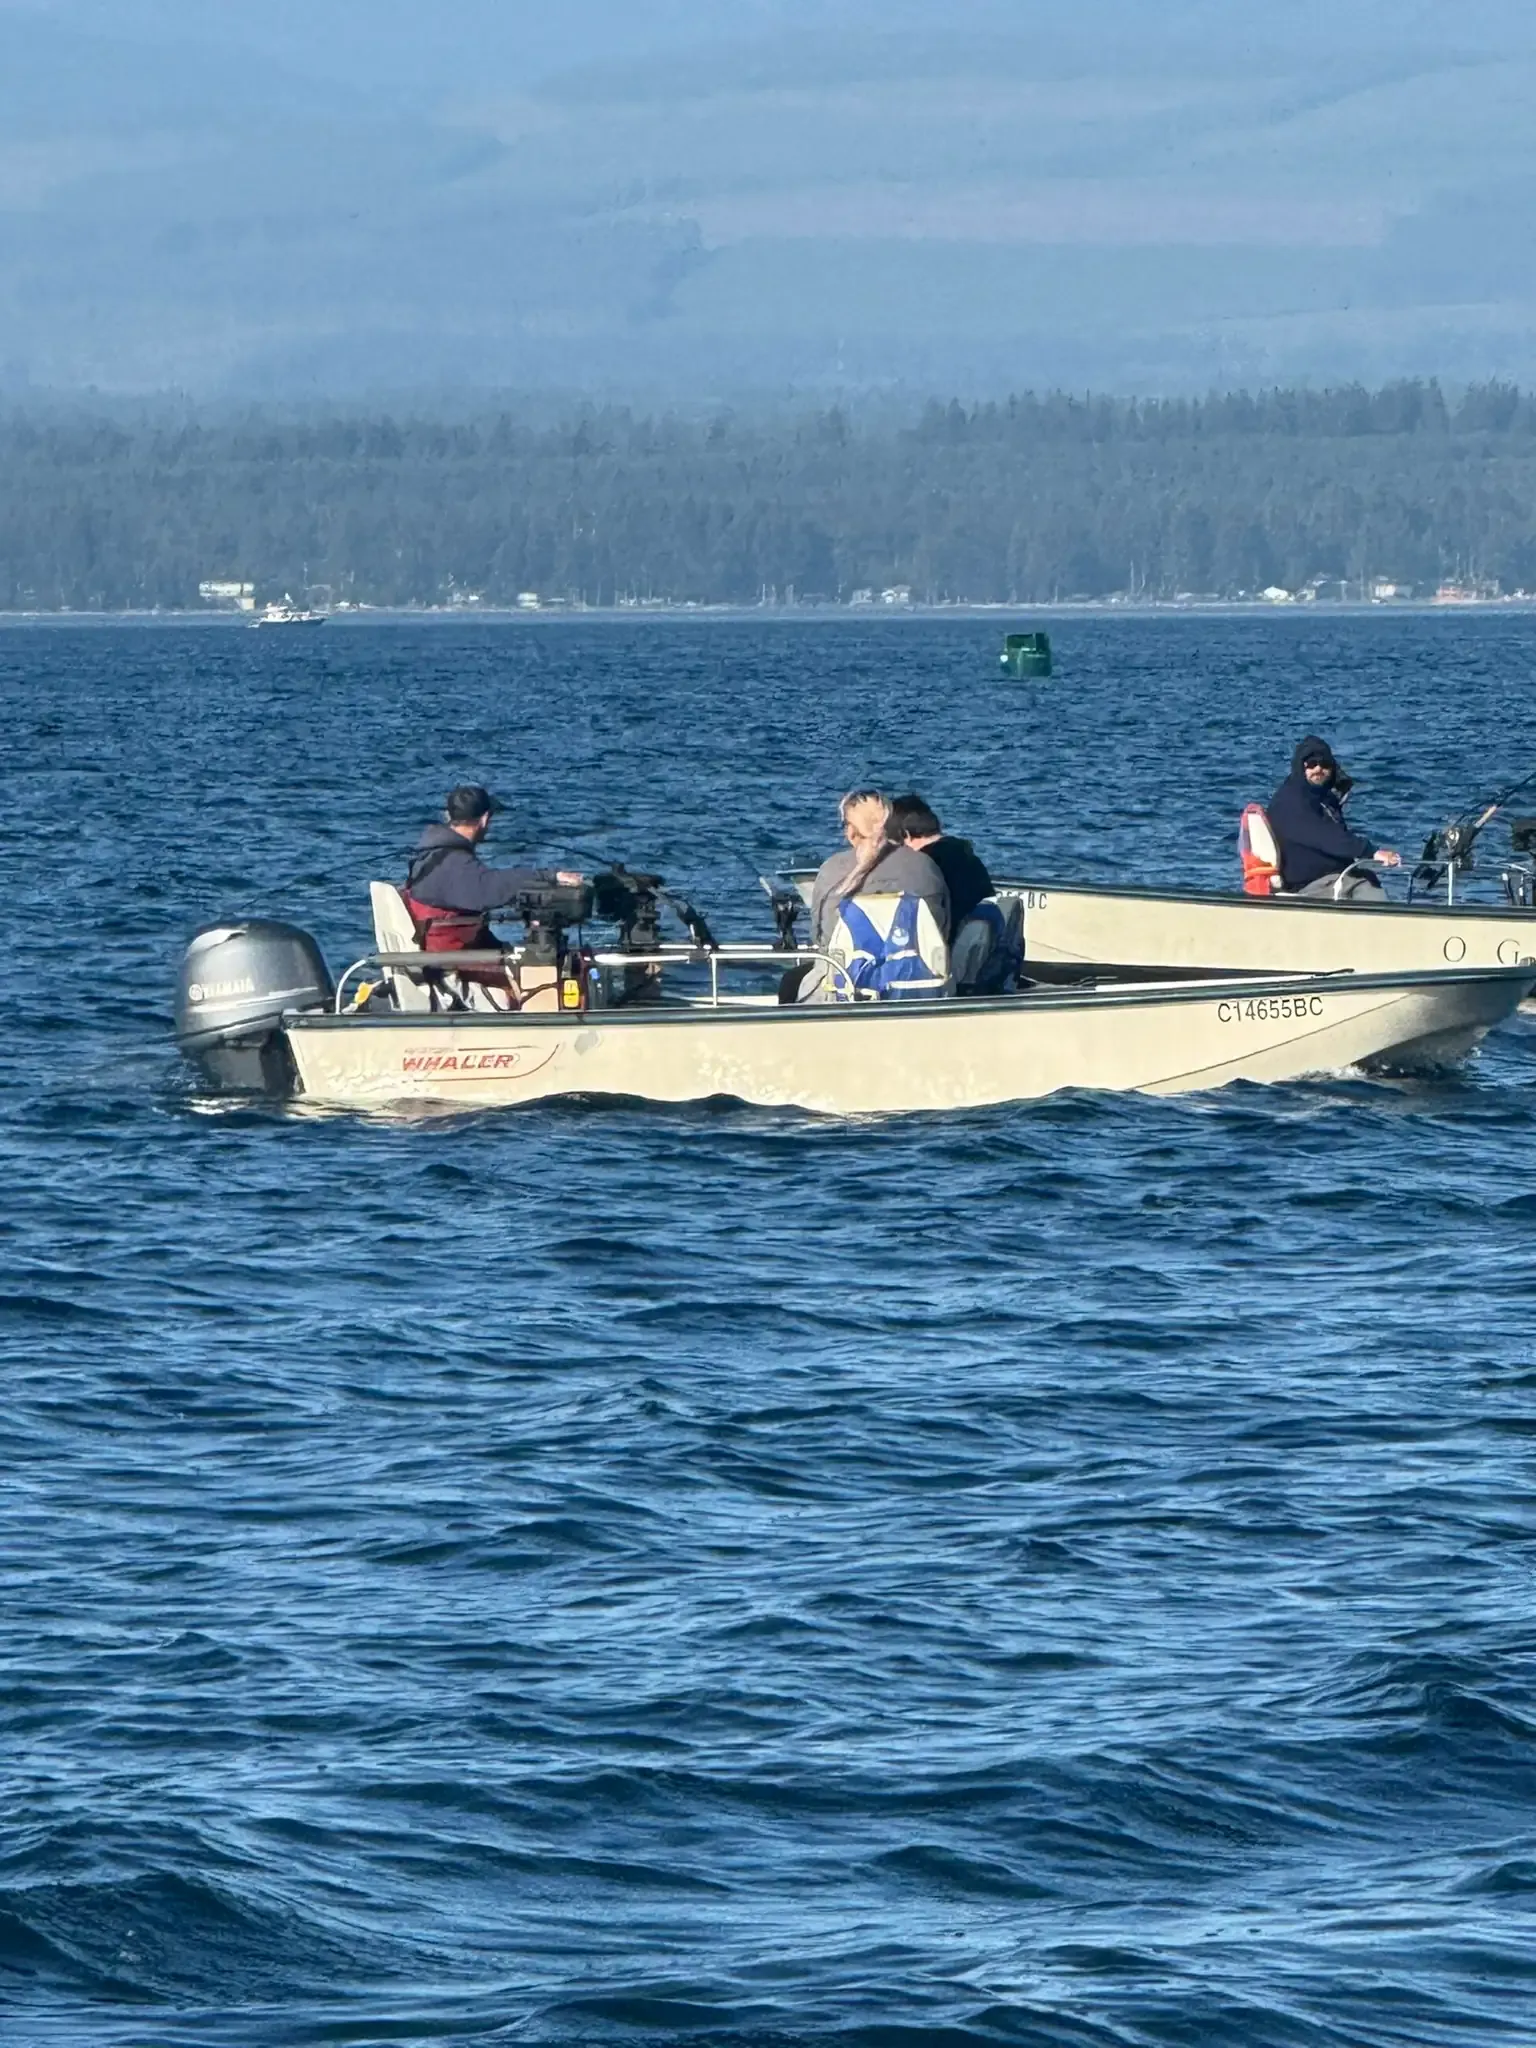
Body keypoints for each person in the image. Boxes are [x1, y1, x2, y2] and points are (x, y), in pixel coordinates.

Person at [782, 790, 949, 1001]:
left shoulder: (832, 870)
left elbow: (821, 939)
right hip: (917, 990)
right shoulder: (926, 867)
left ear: (851, 831)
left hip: (841, 992)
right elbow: (942, 927)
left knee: (791, 981)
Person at [401, 785, 584, 957]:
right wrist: (550, 876)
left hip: (448, 948)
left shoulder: (429, 854)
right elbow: (490, 887)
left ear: (449, 816)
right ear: (484, 819)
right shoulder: (455, 862)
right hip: (451, 959)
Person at [889, 792, 1017, 991]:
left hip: (940, 972)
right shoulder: (967, 857)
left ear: (905, 836)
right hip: (981, 965)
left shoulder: (923, 870)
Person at [1267, 738, 1401, 900]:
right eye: (1311, 764)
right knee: (1368, 890)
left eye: (1325, 764)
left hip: (1335, 875)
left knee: (1367, 878)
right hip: (1310, 884)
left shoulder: (1322, 797)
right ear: (1300, 767)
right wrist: (1371, 852)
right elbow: (1324, 837)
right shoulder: (1290, 801)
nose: (1318, 769)